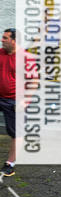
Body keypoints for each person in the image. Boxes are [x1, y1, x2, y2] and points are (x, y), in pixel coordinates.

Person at [0, 28, 16, 176]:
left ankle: (10, 163)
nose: (2, 40)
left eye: (5, 38)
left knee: (14, 133)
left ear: (14, 41)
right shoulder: (0, 53)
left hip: (14, 100)